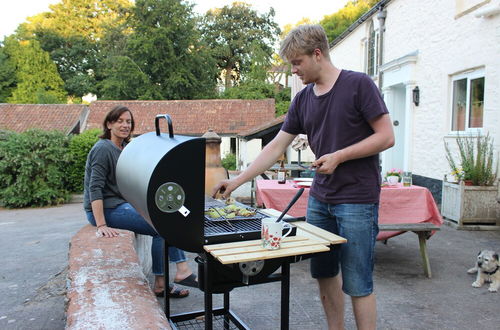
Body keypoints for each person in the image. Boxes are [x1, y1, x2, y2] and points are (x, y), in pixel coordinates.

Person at [212, 25, 394, 329]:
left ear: (317, 54)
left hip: (357, 200)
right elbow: (276, 146)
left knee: (358, 281)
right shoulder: (303, 99)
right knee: (323, 273)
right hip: (320, 199)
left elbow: (386, 136)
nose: (294, 70)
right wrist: (237, 180)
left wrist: (340, 156)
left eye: (297, 63)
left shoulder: (358, 85)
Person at [83, 105, 198, 298]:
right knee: (161, 226)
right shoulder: (103, 149)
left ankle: (170, 277)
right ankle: (174, 275)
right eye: (119, 121)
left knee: (166, 216)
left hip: (121, 204)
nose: (125, 125)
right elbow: (94, 188)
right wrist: (101, 223)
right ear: (109, 124)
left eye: (128, 122)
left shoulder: (125, 148)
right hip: (108, 209)